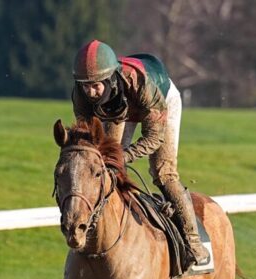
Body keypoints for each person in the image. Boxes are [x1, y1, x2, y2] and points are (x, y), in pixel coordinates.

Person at [71, 39, 210, 266]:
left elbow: (154, 138)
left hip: (160, 100)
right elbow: (89, 138)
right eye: (86, 86)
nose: (91, 92)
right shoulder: (81, 95)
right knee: (107, 164)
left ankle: (193, 242)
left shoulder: (142, 85)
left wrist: (124, 156)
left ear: (109, 78)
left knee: (163, 173)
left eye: (95, 86)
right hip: (119, 108)